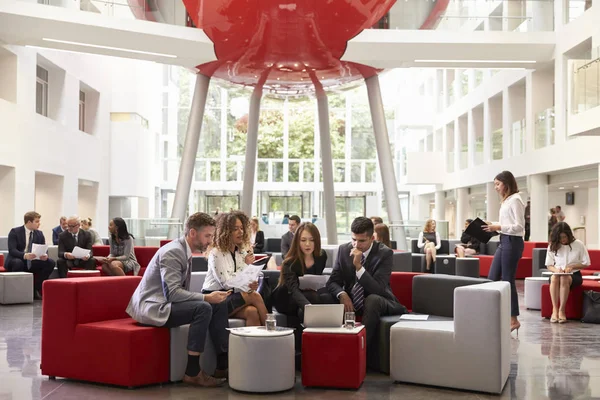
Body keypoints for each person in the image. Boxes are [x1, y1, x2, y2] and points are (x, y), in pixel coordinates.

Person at [126, 212, 230, 387]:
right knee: (203, 308)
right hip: (153, 308)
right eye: (207, 236)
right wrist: (205, 297)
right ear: (192, 233)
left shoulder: (183, 249)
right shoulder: (173, 252)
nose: (210, 241)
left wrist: (210, 298)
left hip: (165, 303)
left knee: (219, 304)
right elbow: (173, 293)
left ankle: (222, 363)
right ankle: (192, 372)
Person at [325, 217, 407, 368]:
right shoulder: (344, 250)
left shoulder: (384, 253)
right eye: (353, 240)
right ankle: (324, 354)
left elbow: (378, 289)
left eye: (362, 241)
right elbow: (332, 281)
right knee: (324, 297)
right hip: (352, 302)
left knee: (372, 299)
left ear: (372, 238)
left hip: (382, 301)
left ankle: (359, 355)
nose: (356, 245)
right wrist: (342, 295)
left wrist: (358, 267)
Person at [202, 211, 268, 326]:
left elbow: (241, 280)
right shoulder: (216, 253)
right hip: (216, 299)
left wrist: (251, 284)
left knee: (252, 312)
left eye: (242, 228)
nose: (240, 232)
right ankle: (272, 331)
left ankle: (256, 343)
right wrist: (246, 265)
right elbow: (227, 283)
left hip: (231, 295)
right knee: (255, 296)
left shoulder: (241, 252)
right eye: (235, 229)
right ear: (226, 232)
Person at [482, 170, 525, 335]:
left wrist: (497, 227)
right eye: (494, 184)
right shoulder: (506, 201)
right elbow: (506, 223)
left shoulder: (516, 200)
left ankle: (513, 319)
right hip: (504, 241)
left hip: (513, 243)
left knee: (508, 281)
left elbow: (519, 227)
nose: (495, 188)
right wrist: (492, 224)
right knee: (492, 278)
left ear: (506, 184)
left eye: (497, 184)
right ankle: (493, 315)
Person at [272, 222, 327, 322]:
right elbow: (293, 290)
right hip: (286, 297)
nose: (307, 244)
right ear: (297, 241)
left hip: (309, 294)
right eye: (303, 240)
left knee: (326, 298)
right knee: (312, 299)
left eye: (311, 240)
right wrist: (309, 307)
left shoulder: (321, 256)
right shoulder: (289, 262)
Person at [545, 222, 589, 323]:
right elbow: (549, 265)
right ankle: (554, 310)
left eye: (564, 237)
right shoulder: (553, 245)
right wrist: (556, 270)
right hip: (557, 273)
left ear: (569, 235)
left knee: (564, 278)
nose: (562, 240)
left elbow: (586, 263)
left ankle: (562, 310)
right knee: (554, 278)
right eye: (560, 238)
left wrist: (572, 266)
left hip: (574, 275)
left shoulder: (578, 244)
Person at [5, 211, 55, 300]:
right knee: (18, 263)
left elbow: (43, 248)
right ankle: (19, 291)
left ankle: (36, 288)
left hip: (32, 260)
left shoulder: (39, 234)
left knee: (50, 262)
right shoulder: (15, 232)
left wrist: (44, 255)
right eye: (37, 221)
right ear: (29, 222)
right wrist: (25, 255)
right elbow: (12, 250)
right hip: (17, 259)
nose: (39, 224)